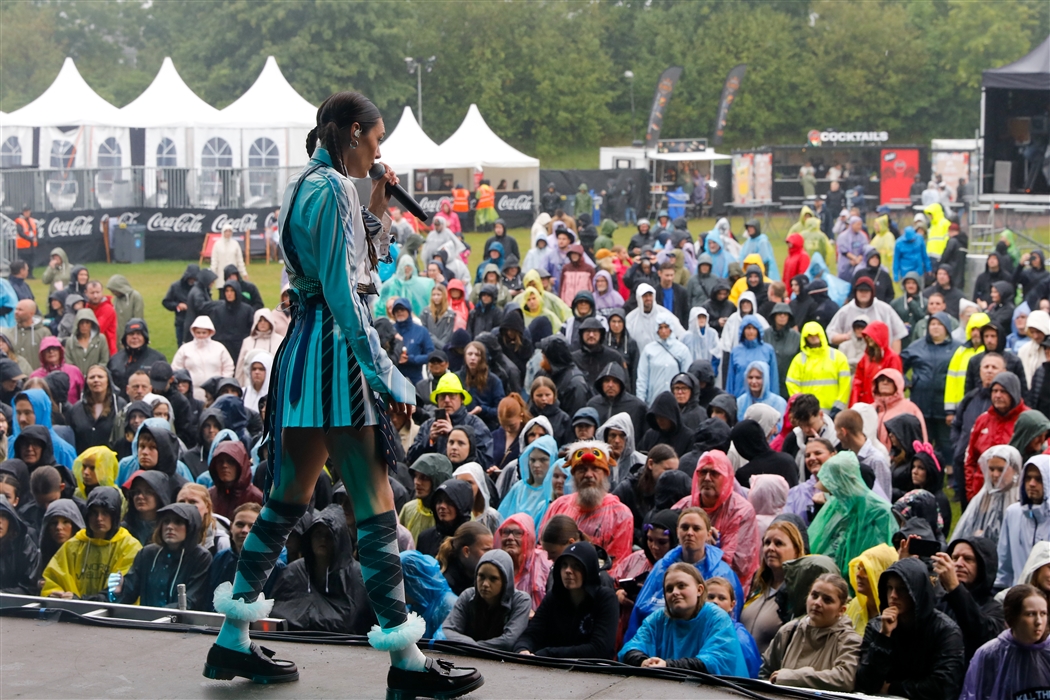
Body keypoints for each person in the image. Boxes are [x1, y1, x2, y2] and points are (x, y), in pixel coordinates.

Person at [207, 94, 482, 695]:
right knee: (376, 503)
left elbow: (354, 265)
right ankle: (407, 665)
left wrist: (375, 208)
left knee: (285, 501)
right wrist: (388, 375)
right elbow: (346, 293)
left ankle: (232, 641)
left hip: (302, 358)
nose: (380, 154)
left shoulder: (307, 184)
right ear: (353, 133)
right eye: (376, 141)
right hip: (336, 359)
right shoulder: (332, 190)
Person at [854, 558, 966, 699]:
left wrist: (893, 688)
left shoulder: (945, 631)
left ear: (917, 591)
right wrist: (883, 637)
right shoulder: (877, 626)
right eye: (889, 588)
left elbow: (944, 687)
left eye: (902, 589)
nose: (893, 595)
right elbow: (865, 683)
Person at [621, 563, 749, 675]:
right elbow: (632, 647)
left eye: (681, 586)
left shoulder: (718, 618)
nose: (675, 592)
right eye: (669, 589)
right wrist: (643, 661)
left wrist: (667, 666)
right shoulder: (658, 619)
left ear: (699, 590)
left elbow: (714, 661)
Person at [673, 451, 761, 595]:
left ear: (727, 478)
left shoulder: (741, 512)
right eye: (703, 472)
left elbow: (740, 565)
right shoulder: (682, 507)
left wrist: (705, 550)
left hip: (724, 590)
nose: (707, 478)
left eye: (714, 473)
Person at [514, 541, 618, 659]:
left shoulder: (605, 598)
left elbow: (599, 649)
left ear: (589, 569)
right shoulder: (553, 597)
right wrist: (522, 649)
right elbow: (531, 634)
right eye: (564, 565)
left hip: (593, 673)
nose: (568, 570)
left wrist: (548, 654)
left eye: (576, 566)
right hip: (552, 671)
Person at [759, 574, 862, 691]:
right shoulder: (789, 631)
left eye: (827, 600)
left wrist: (791, 677)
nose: (817, 603)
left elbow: (845, 679)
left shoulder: (849, 640)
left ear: (841, 610)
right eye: (814, 595)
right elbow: (766, 672)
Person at [540, 442, 634, 565]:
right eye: (582, 469)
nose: (589, 475)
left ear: (606, 473)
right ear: (573, 475)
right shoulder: (558, 506)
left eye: (595, 468)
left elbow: (618, 565)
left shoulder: (620, 515)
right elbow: (542, 552)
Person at [41, 487, 142, 600]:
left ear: (115, 515)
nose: (99, 518)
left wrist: (81, 601)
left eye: (105, 513)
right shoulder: (73, 545)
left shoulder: (130, 547)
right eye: (94, 513)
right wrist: (54, 594)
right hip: (72, 613)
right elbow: (53, 579)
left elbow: (121, 591)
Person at [808, 451, 896, 576]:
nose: (831, 494)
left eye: (833, 489)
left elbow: (877, 557)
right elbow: (817, 539)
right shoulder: (836, 504)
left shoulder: (879, 511)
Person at [960, 584, 1050, 700]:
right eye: (1030, 614)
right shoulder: (990, 654)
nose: (1039, 621)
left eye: (1043, 614)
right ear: (1013, 617)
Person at [931, 537, 1007, 663]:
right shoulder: (940, 602)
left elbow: (981, 634)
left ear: (983, 566)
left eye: (968, 559)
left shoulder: (995, 608)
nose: (958, 563)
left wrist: (955, 588)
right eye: (954, 558)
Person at [439, 549, 531, 650]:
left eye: (493, 579)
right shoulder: (468, 595)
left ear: (505, 581)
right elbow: (447, 630)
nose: (485, 584)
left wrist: (472, 647)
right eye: (481, 576)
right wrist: (470, 644)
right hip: (468, 657)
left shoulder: (521, 600)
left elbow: (509, 640)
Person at [964, 372, 1028, 501]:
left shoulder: (1026, 420)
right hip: (982, 493)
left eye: (1003, 391)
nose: (997, 395)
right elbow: (970, 459)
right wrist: (972, 492)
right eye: (994, 391)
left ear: (1013, 393)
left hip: (1015, 495)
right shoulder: (983, 420)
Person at [996, 456, 1050, 588]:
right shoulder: (1013, 513)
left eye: (1038, 479)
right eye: (1028, 478)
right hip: (1019, 597)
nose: (1032, 484)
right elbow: (1004, 562)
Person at [785, 323, 851, 414]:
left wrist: (839, 406)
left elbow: (845, 384)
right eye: (810, 335)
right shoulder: (799, 360)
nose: (813, 337)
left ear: (821, 334)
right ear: (805, 338)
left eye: (816, 334)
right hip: (808, 412)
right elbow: (792, 383)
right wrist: (802, 404)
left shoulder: (838, 357)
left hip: (834, 411)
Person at [171, 317, 234, 402]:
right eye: (198, 332)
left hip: (215, 392)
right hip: (192, 392)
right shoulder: (185, 349)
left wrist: (222, 384)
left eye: (204, 333)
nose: (201, 335)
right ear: (193, 332)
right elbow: (176, 368)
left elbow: (228, 367)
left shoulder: (219, 348)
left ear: (210, 332)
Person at [399, 454, 455, 543]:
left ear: (438, 480)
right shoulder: (408, 508)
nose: (417, 482)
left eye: (424, 478)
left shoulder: (455, 512)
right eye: (415, 476)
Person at [0, 493, 39, 594]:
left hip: (17, 606)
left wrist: (3, 594)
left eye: (4, 516)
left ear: (10, 521)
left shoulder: (23, 543)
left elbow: (30, 586)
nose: (0, 521)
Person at [162, 264, 200, 342]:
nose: (192, 281)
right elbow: (166, 302)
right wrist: (177, 305)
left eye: (194, 279)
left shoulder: (200, 287)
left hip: (197, 322)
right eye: (191, 278)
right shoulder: (176, 286)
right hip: (181, 322)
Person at [83, 281, 118, 356]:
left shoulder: (108, 309)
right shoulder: (86, 307)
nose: (95, 296)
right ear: (86, 293)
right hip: (92, 350)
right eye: (92, 293)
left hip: (107, 351)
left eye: (98, 292)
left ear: (102, 291)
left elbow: (97, 329)